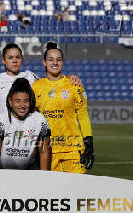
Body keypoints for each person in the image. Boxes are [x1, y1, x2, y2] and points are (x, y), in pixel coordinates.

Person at [32, 42, 94, 174]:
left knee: (77, 190)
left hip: (73, 148)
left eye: (58, 59)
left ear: (63, 62)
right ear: (44, 62)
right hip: (48, 149)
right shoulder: (36, 86)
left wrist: (89, 143)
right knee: (54, 192)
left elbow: (82, 115)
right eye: (50, 59)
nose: (55, 63)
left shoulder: (74, 85)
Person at [0, 43, 81, 117]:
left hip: (29, 133)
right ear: (3, 60)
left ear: (22, 59)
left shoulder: (31, 77)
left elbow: (51, 82)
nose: (14, 60)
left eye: (17, 57)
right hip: (5, 133)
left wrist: (69, 77)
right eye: (10, 57)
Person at [0, 78, 51, 169]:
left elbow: (44, 151)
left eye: (26, 101)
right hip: (4, 172)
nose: (22, 105)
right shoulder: (1, 119)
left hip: (29, 171)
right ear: (10, 101)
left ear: (30, 102)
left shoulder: (40, 120)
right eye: (17, 101)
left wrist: (44, 177)